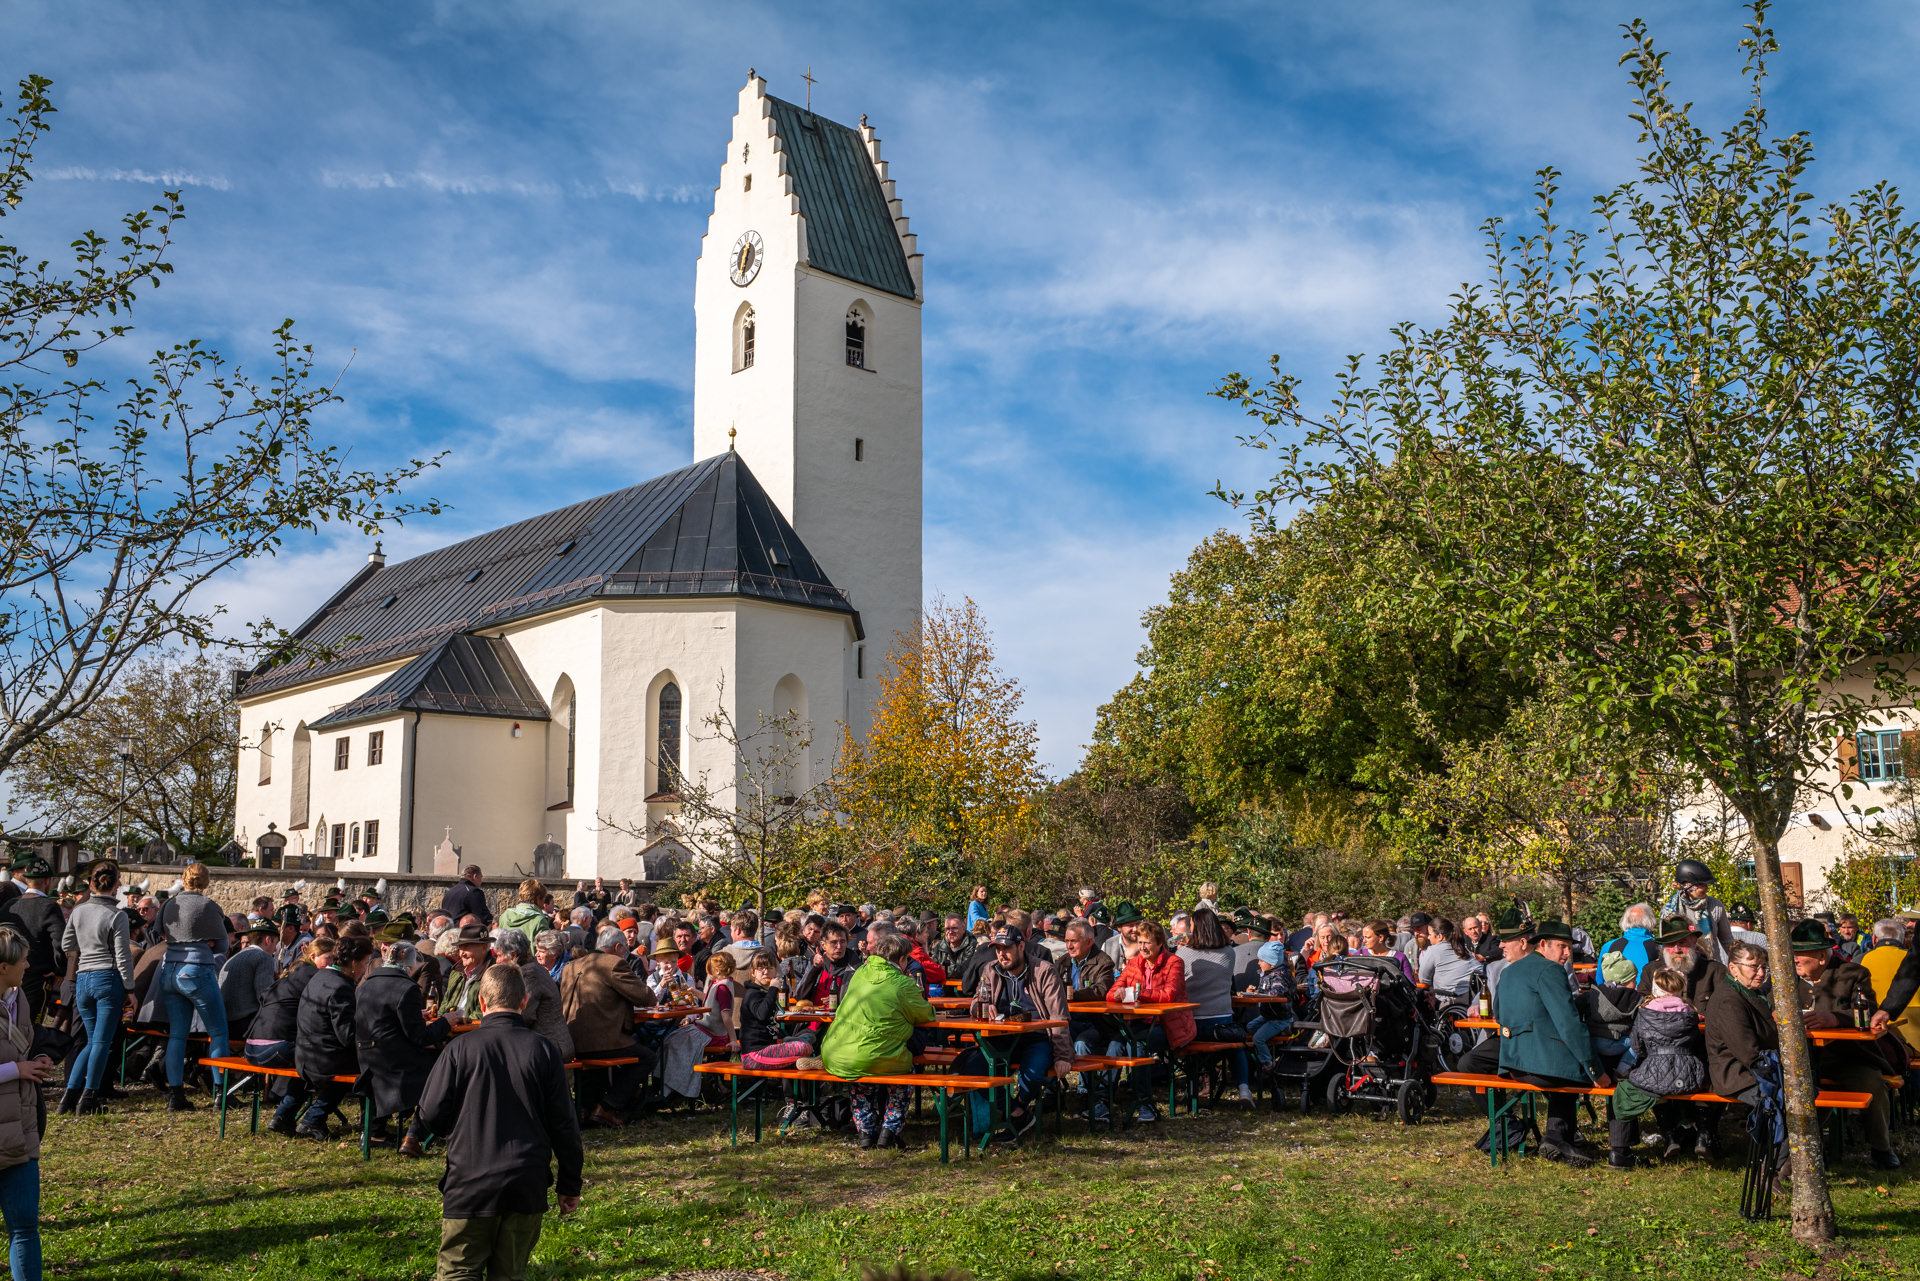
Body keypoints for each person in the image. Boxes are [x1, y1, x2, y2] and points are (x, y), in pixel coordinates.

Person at [416, 964, 582, 1281]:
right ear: (524, 1001)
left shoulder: (459, 1049)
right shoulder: (544, 1050)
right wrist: (569, 1184)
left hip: (470, 1181)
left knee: (459, 1271)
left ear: (481, 1002)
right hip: (525, 1181)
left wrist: (457, 1131)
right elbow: (565, 1126)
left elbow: (430, 1113)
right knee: (509, 1274)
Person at [1492, 919, 1610, 1167]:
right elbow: (1569, 1024)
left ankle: (1560, 1137)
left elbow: (1499, 1015)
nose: (1567, 954)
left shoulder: (1508, 971)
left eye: (1569, 947)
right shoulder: (1550, 970)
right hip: (1540, 1065)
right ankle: (1558, 1137)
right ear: (1543, 944)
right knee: (1577, 1070)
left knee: (1564, 1066)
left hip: (1512, 1063)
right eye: (1562, 946)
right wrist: (1596, 1070)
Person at [1789, 920, 1898, 1168]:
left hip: (1846, 1056)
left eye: (1801, 954)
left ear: (1821, 957)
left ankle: (1881, 1148)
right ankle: (1789, 1153)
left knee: (1873, 1086)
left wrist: (1835, 1019)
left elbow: (1869, 1011)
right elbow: (1771, 1003)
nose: (1794, 960)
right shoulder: (1787, 977)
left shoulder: (1852, 974)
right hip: (1799, 1059)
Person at [820, 933, 937, 1149]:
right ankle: (888, 1132)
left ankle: (865, 1132)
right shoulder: (903, 984)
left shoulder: (861, 972)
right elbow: (926, 1014)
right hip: (879, 1057)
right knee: (903, 1076)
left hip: (839, 1052)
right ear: (901, 959)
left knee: (861, 1078)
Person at [963, 925, 1073, 1142]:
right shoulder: (991, 969)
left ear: (1021, 946)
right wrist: (981, 1006)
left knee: (1032, 1074)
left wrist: (1063, 1056)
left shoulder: (1044, 970)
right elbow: (976, 1000)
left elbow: (1059, 1016)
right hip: (1002, 1037)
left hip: (1038, 1037)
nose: (1001, 954)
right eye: (998, 949)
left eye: (1006, 948)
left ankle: (1019, 1107)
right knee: (972, 1069)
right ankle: (1017, 1114)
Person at [1605, 965, 1709, 1167]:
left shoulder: (1645, 1013)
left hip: (1654, 1070)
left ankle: (1665, 1137)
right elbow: (1696, 1042)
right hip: (1689, 1073)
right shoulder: (1690, 1014)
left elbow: (1637, 1046)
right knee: (1701, 1085)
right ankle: (1700, 1136)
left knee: (1627, 1089)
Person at [357, 932, 450, 1154]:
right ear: (409, 966)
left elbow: (384, 1018)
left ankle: (377, 1131)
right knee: (441, 1072)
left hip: (367, 1058)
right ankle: (414, 1136)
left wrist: (416, 1015)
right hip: (394, 1063)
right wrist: (446, 1022)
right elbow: (420, 1037)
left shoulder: (368, 984)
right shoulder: (407, 988)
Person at [58, 859, 134, 1117]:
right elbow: (122, 956)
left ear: (92, 883)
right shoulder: (117, 915)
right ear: (116, 886)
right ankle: (89, 1096)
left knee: (91, 1042)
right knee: (101, 1042)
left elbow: (66, 944)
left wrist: (87, 945)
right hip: (107, 978)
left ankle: (69, 1096)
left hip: (82, 978)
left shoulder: (79, 911)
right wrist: (130, 989)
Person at [559, 927, 655, 1127]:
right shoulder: (613, 963)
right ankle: (607, 1106)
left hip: (571, 1040)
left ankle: (585, 1107)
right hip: (602, 1040)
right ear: (618, 947)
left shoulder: (570, 966)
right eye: (625, 950)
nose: (625, 955)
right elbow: (646, 997)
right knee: (647, 1057)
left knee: (597, 1066)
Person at [0, 925, 54, 1280]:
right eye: (22, 960)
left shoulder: (19, 998)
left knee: (24, 1226)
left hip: (20, 1130)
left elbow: (22, 1047)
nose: (29, 965)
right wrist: (15, 1070)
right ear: (3, 966)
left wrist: (36, 1061)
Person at [1705, 941, 1786, 1175]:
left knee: (1813, 1096)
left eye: (1764, 967)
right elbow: (1747, 1051)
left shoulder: (1749, 993)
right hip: (1738, 1074)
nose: (1760, 973)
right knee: (1784, 1104)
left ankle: (1784, 1162)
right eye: (1753, 967)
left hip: (1758, 1068)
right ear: (1733, 969)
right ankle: (1772, 1167)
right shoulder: (1729, 1000)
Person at [156, 862, 231, 1112]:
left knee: (177, 1034)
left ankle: (176, 1095)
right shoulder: (208, 906)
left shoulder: (169, 904)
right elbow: (222, 946)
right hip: (197, 970)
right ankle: (221, 1093)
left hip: (170, 969)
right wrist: (206, 942)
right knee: (218, 1032)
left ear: (184, 879)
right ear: (206, 881)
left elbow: (159, 934)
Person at [1107, 919, 1197, 1123]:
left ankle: (1144, 1103)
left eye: (1147, 942)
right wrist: (1119, 994)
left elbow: (1169, 994)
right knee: (1114, 1045)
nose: (1142, 947)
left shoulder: (1174, 963)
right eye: (1140, 942)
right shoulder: (1133, 964)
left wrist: (1137, 994)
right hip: (1137, 1024)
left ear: (1159, 943)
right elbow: (1111, 993)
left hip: (1169, 1026)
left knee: (1137, 1044)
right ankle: (1104, 1100)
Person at [294, 935, 373, 1140]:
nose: (366, 969)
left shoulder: (320, 976)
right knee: (372, 1065)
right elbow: (347, 1035)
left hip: (305, 1052)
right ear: (354, 963)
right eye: (365, 963)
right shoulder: (341, 986)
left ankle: (304, 1116)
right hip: (322, 1059)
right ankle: (370, 1130)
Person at [1176, 908, 1252, 1103]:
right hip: (1222, 1023)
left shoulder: (1184, 953)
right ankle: (1244, 1088)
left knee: (1185, 1047)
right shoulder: (1228, 953)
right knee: (1236, 1048)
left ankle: (1192, 1086)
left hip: (1192, 1023)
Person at [1060, 920, 1118, 1121]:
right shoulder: (1063, 962)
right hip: (1070, 1019)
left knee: (1082, 1043)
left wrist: (1072, 995)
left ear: (1089, 941)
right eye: (1067, 941)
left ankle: (1086, 1094)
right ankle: (1050, 1094)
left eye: (1074, 941)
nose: (1069, 946)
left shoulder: (1103, 962)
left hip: (1096, 1022)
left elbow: (1101, 990)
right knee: (1046, 1038)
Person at [492, 930, 572, 1063]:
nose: (497, 961)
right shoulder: (528, 970)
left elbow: (524, 1014)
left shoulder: (529, 974)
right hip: (542, 1045)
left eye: (499, 956)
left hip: (550, 1047)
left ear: (513, 955)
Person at [0, 857, 63, 1023]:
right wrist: (58, 969)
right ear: (48, 881)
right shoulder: (49, 906)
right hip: (38, 976)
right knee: (31, 1024)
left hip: (9, 972)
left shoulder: (9, 905)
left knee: (9, 1021)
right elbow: (60, 942)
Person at [1860, 918, 1920, 1052]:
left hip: (1884, 1038)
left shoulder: (1862, 960)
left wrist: (1886, 1010)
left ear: (1874, 939)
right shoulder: (1908, 958)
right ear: (1903, 940)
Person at [218, 917, 280, 1044]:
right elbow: (265, 996)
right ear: (268, 940)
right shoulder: (264, 957)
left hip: (225, 1024)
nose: (275, 949)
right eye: (276, 943)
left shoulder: (233, 958)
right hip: (246, 1026)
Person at [1637, 917, 1726, 1006]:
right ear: (1663, 946)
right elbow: (1641, 1005)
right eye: (1671, 944)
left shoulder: (1716, 971)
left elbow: (1726, 1004)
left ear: (1694, 941)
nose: (1677, 950)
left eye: (1682, 943)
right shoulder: (1650, 971)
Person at [1662, 861, 1735, 963]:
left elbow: (1727, 941)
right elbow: (1665, 945)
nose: (1707, 888)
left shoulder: (1715, 906)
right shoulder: (1669, 910)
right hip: (1683, 966)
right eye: (1702, 885)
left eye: (1706, 884)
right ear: (1688, 886)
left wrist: (1738, 961)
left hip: (1711, 966)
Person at [1244, 940, 1297, 1069]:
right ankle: (1264, 1048)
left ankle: (1267, 1063)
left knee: (1258, 1038)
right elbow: (1266, 990)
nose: (1258, 963)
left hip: (1280, 1018)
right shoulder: (1268, 974)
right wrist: (1256, 992)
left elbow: (1276, 993)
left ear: (1272, 964)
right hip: (1268, 1015)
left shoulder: (1279, 977)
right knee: (1250, 1027)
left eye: (1261, 960)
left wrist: (1258, 995)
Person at [1416, 918, 1485, 1002]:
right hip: (1475, 997)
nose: (1428, 937)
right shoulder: (1462, 948)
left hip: (1451, 1000)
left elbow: (1424, 979)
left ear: (1439, 936)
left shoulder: (1433, 950)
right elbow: (1480, 969)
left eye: (1430, 934)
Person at [439, 925, 495, 1022]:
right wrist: (441, 1021)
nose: (462, 953)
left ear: (484, 947)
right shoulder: (456, 972)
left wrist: (462, 1022)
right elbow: (445, 1003)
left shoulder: (494, 974)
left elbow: (484, 1012)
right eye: (460, 948)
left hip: (473, 1029)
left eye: (467, 947)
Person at [1597, 903, 1661, 985]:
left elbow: (1600, 979)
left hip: (1614, 992)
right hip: (1648, 992)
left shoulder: (1608, 946)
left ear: (1625, 920)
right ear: (1651, 921)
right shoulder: (1660, 946)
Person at [498, 880, 550, 948]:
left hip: (507, 954)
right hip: (530, 955)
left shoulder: (505, 915)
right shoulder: (540, 920)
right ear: (538, 898)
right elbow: (544, 949)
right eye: (543, 899)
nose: (543, 903)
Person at [442, 865, 493, 930]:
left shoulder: (450, 892)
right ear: (475, 876)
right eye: (481, 877)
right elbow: (483, 917)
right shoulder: (474, 892)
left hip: (447, 931)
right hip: (463, 931)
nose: (481, 881)